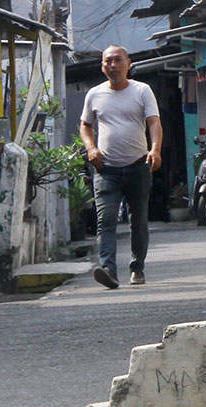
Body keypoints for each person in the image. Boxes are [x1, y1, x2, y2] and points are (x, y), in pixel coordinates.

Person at [79, 45, 162, 288]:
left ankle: (137, 268)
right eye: (108, 61)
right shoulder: (94, 94)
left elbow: (153, 122)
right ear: (102, 66)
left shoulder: (142, 90)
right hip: (107, 169)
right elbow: (85, 125)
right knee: (105, 220)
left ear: (128, 63)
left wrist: (155, 149)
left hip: (138, 166)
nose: (113, 65)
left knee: (139, 220)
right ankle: (109, 271)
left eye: (117, 60)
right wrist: (91, 148)